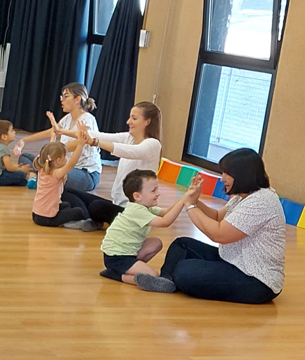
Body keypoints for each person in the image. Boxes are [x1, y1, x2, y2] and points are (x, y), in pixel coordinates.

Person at [137, 149, 284, 304]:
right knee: (181, 245)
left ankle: (175, 279)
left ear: (242, 174)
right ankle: (166, 282)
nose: (222, 179)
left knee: (184, 271)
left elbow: (219, 234)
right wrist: (195, 200)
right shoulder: (245, 196)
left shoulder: (260, 202)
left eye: (227, 173)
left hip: (257, 281)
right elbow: (217, 216)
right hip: (234, 261)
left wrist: (189, 206)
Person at [55, 102, 163, 224]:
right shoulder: (128, 138)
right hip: (117, 204)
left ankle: (87, 218)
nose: (128, 122)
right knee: (66, 190)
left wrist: (95, 142)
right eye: (130, 117)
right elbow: (98, 135)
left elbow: (130, 151)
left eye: (134, 118)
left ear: (147, 122)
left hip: (133, 212)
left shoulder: (153, 144)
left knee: (97, 207)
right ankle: (87, 219)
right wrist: (61, 131)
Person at [100, 170, 198, 286]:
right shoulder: (136, 210)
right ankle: (117, 274)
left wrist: (185, 197)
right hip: (116, 257)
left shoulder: (145, 207)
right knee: (154, 276)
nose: (158, 193)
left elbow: (167, 212)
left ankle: (132, 268)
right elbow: (165, 222)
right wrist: (185, 199)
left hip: (128, 252)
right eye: (153, 191)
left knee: (156, 243)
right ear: (137, 196)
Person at [15, 83, 102, 191]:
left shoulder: (88, 119)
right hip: (62, 166)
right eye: (62, 96)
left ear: (77, 99)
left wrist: (52, 153)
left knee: (52, 170)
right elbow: (51, 132)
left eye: (65, 96)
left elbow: (80, 142)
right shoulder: (67, 118)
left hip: (85, 174)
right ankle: (38, 178)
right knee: (25, 157)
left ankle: (37, 178)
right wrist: (24, 140)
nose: (62, 100)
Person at [29, 125, 99, 232]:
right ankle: (68, 223)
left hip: (36, 214)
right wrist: (80, 145)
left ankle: (63, 219)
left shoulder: (43, 169)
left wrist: (53, 137)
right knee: (78, 211)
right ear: (58, 160)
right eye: (65, 156)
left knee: (66, 205)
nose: (67, 158)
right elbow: (72, 163)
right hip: (46, 218)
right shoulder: (56, 174)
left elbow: (50, 150)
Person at [0, 120, 33, 187]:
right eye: (11, 131)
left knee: (18, 173)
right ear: (4, 137)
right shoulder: (3, 148)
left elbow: (6, 167)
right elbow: (9, 168)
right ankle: (31, 181)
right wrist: (21, 169)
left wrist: (17, 167)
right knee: (21, 175)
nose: (14, 132)